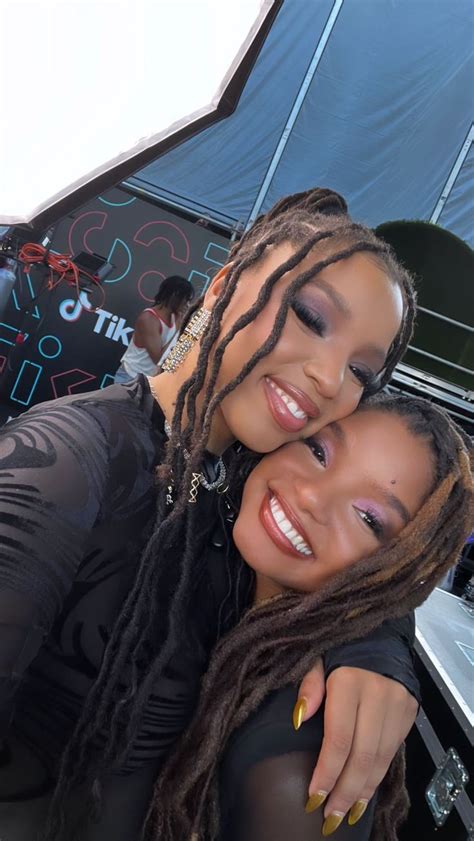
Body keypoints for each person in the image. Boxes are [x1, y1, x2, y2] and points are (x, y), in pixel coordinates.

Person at [0, 189, 419, 840]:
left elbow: (387, 530)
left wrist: (375, 643)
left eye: (361, 370)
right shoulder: (69, 465)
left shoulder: (246, 487)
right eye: (310, 315)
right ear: (223, 287)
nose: (329, 376)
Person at [152, 394, 473, 841]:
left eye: (367, 517)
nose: (310, 496)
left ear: (392, 571)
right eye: (319, 451)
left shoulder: (297, 763)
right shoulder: (207, 533)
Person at [114, 274, 194, 383]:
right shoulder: (149, 318)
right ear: (175, 297)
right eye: (186, 300)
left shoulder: (176, 317)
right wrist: (178, 329)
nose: (187, 304)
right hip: (130, 378)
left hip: (150, 382)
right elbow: (159, 359)